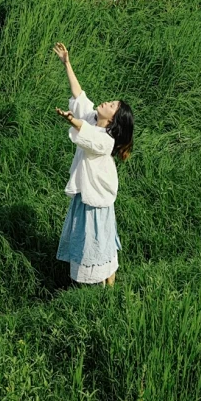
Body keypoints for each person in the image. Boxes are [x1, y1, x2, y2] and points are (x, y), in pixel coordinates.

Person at [52, 42, 134, 288]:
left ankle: (103, 282)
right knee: (92, 238)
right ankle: (104, 281)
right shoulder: (91, 119)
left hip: (96, 198)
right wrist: (67, 63)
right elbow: (80, 96)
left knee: (97, 239)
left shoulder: (106, 140)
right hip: (86, 194)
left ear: (113, 120)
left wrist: (73, 121)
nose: (106, 103)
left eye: (112, 106)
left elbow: (88, 135)